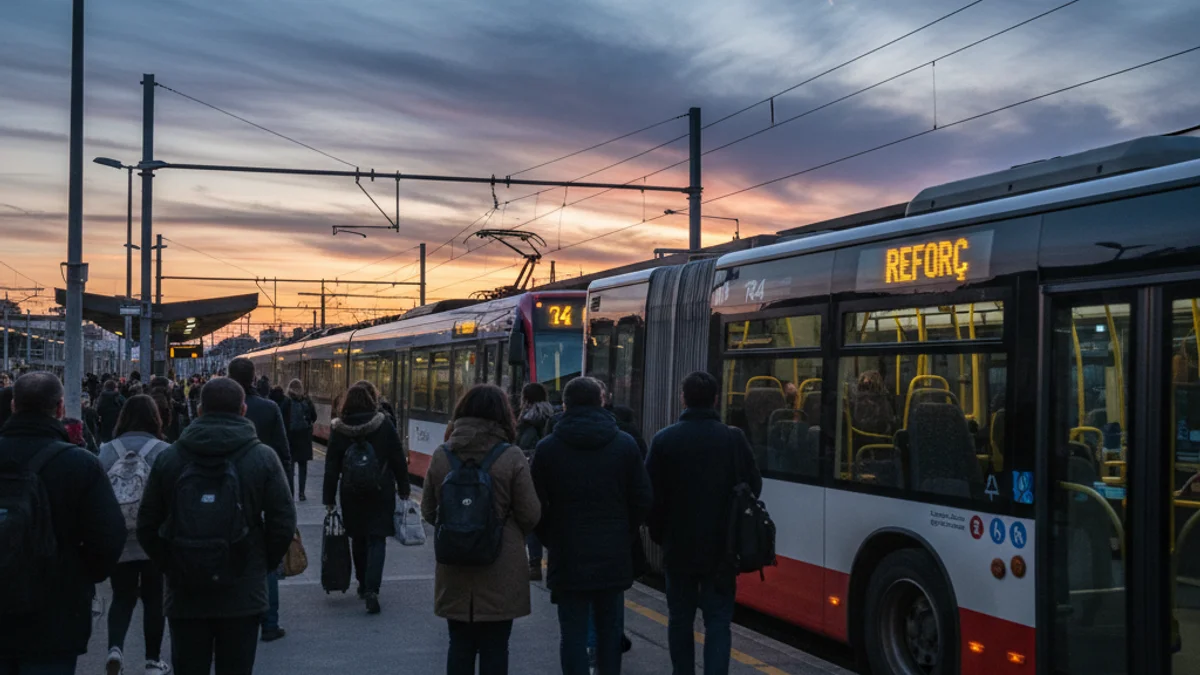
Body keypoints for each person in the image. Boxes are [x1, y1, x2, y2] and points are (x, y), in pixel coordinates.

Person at [136, 377, 296, 675]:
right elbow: (283, 523)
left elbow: (146, 524)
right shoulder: (262, 457)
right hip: (243, 591)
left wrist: (172, 562)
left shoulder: (170, 458)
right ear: (243, 410)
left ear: (198, 411)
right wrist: (259, 563)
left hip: (185, 593)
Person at [0, 372, 126, 675]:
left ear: (13, 405)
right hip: (56, 613)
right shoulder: (80, 463)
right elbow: (109, 537)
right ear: (59, 409)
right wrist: (80, 575)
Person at [531, 377, 652, 675]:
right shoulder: (624, 444)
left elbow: (534, 506)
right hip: (613, 554)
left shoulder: (547, 449)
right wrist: (623, 533)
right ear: (601, 402)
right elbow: (643, 499)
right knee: (610, 630)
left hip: (567, 553)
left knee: (571, 633)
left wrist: (552, 539)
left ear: (564, 405)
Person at [646, 371, 763, 675]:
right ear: (715, 399)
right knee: (719, 621)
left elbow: (649, 495)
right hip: (722, 549)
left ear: (683, 398)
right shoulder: (733, 438)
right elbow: (754, 485)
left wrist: (661, 534)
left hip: (678, 546)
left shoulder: (664, 440)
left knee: (680, 619)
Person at [421, 384, 541, 675]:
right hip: (501, 565)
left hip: (455, 567)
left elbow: (428, 510)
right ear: (503, 415)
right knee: (496, 648)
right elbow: (531, 513)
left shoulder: (442, 455)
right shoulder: (511, 456)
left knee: (459, 645)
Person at [98, 395, 172, 675]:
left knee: (121, 596)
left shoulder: (107, 451)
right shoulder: (164, 450)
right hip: (154, 539)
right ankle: (153, 661)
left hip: (119, 538)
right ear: (156, 418)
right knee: (155, 598)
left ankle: (114, 648)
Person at [323, 383, 409, 613]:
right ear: (373, 400)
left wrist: (328, 498)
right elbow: (398, 458)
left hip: (351, 492)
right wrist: (404, 488)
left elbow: (331, 466)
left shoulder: (339, 428)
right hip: (381, 490)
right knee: (377, 538)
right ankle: (373, 588)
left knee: (358, 538)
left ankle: (361, 584)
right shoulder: (384, 424)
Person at [227, 357, 291, 641]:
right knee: (266, 560)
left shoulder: (217, 408)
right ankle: (269, 622)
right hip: (263, 487)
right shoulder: (269, 408)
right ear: (254, 378)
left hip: (224, 490)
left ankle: (228, 613)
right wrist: (284, 493)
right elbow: (283, 453)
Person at [515, 383, 554, 581]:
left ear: (526, 398)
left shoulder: (528, 420)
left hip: (531, 472)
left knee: (532, 518)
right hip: (551, 473)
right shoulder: (552, 415)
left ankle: (534, 564)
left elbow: (523, 447)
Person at [280, 379, 316, 501]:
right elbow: (314, 417)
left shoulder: (286, 401)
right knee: (303, 466)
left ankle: (291, 492)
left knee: (290, 466)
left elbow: (281, 419)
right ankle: (302, 493)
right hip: (304, 438)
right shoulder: (307, 401)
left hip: (290, 438)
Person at [96, 378, 125, 443]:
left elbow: (97, 412)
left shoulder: (101, 398)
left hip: (105, 427)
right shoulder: (119, 397)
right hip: (118, 427)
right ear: (115, 388)